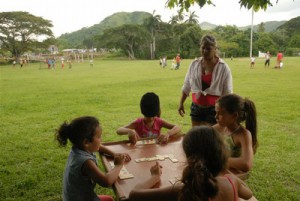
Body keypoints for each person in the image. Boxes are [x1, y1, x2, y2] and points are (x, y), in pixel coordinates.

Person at [129, 126, 253, 201]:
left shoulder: (184, 191)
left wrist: (154, 177)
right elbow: (248, 194)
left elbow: (134, 195)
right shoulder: (232, 182)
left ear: (190, 158)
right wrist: (223, 167)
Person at [56, 116, 131, 201]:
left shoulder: (78, 149)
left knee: (109, 199)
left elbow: (99, 147)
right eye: (99, 137)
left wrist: (114, 154)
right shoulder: (86, 162)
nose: (101, 139)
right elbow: (106, 181)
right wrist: (118, 165)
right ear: (86, 142)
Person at [178, 34, 233, 127]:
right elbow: (187, 85)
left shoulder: (223, 68)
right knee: (196, 136)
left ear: (215, 49)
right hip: (196, 108)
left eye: (208, 48)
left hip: (214, 110)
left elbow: (228, 93)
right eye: (203, 48)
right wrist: (181, 103)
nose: (205, 51)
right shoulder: (194, 64)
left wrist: (224, 112)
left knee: (210, 138)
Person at [213, 94, 258, 180]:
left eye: (221, 114)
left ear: (234, 116)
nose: (216, 117)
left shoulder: (243, 135)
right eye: (216, 112)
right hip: (220, 173)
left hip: (233, 178)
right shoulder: (220, 127)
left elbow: (246, 164)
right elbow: (202, 137)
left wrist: (218, 160)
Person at [117, 92, 181, 145]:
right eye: (148, 116)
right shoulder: (138, 123)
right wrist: (129, 131)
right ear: (143, 113)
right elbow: (119, 130)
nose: (150, 119)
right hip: (141, 150)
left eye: (153, 116)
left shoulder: (159, 121)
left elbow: (178, 127)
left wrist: (168, 134)